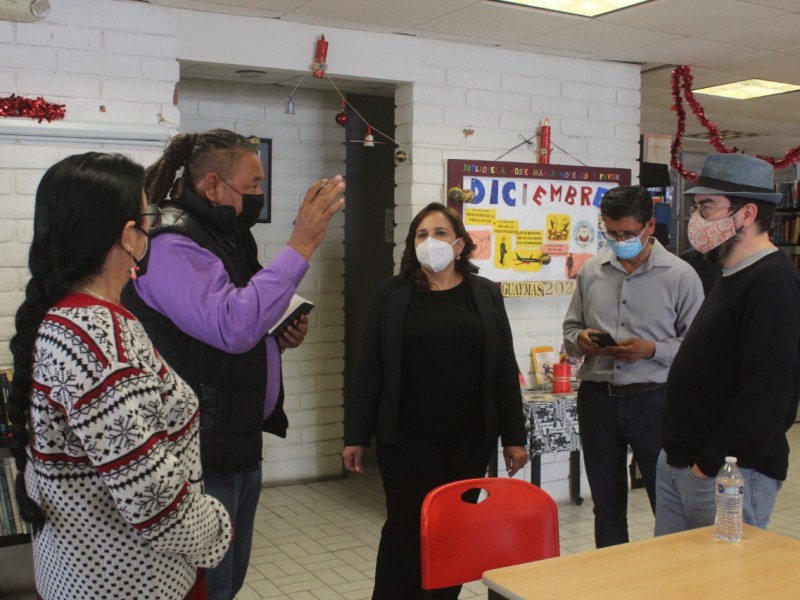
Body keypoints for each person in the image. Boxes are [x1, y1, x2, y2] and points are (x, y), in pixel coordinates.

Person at [121, 129, 345, 600]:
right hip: (203, 445)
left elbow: (242, 318)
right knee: (209, 584)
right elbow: (230, 325)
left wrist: (276, 337)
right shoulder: (171, 244)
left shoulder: (226, 236)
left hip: (237, 435)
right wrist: (300, 245)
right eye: (254, 184)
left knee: (230, 578)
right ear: (214, 187)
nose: (261, 194)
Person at [7, 153, 233, 600]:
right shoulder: (98, 337)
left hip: (82, 573)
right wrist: (216, 528)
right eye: (148, 214)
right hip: (134, 583)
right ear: (130, 236)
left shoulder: (65, 319)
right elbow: (156, 504)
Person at [342, 202, 528, 599]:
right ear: (412, 244)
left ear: (459, 244)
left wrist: (514, 436)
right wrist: (355, 435)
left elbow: (503, 367)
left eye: (440, 233)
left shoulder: (485, 293)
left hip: (469, 438)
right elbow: (369, 368)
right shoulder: (390, 294)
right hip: (406, 438)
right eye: (421, 235)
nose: (431, 242)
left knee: (455, 531)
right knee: (405, 530)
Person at [655, 153, 800, 535]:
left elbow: (768, 395)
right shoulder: (729, 271)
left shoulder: (772, 282)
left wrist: (709, 465)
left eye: (708, 208)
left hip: (725, 471)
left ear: (747, 214)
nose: (698, 220)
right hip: (682, 461)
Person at [562, 186, 703, 548]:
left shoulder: (681, 275)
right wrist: (583, 341)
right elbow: (570, 329)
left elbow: (699, 347)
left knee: (667, 501)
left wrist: (651, 349)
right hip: (597, 401)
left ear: (650, 226)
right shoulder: (592, 272)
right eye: (611, 233)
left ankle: (672, 580)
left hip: (654, 401)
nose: (619, 240)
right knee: (606, 504)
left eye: (627, 234)